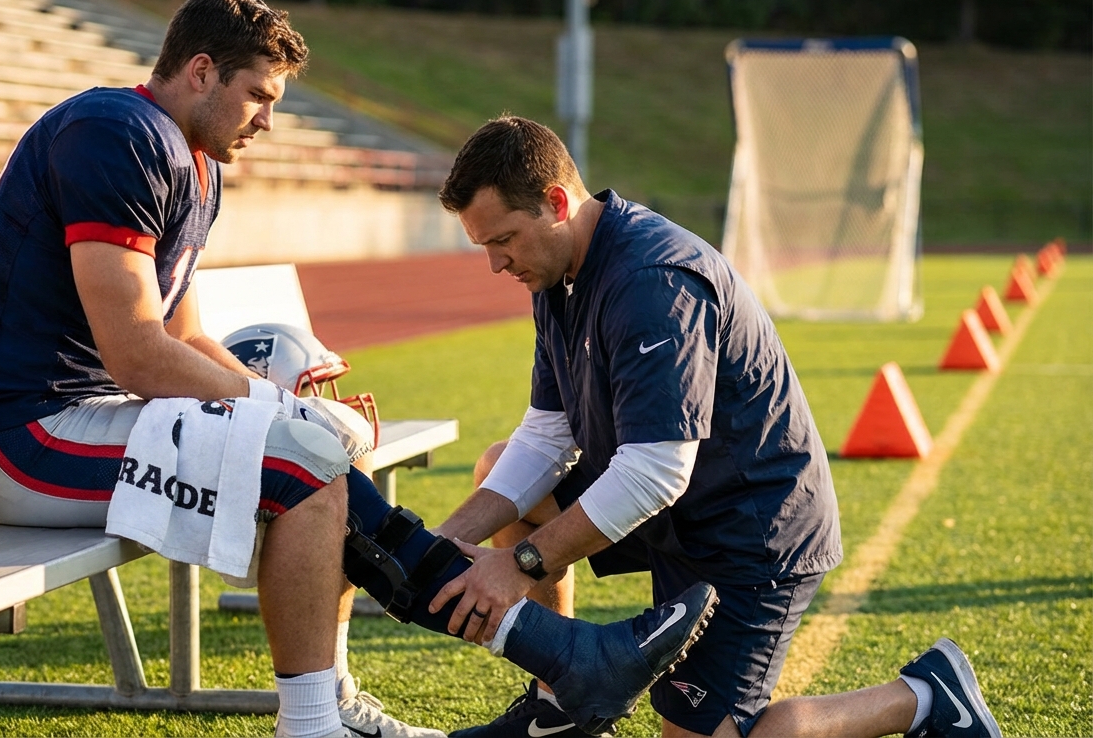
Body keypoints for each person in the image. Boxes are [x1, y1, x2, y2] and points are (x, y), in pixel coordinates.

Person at [0, 0, 717, 738]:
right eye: (259, 95)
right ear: (201, 70)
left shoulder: (195, 161)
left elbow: (184, 338)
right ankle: (322, 721)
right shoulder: (115, 132)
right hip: (27, 436)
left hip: (91, 418)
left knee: (313, 461)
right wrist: (286, 410)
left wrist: (284, 410)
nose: (269, 121)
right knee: (304, 469)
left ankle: (544, 662)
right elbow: (137, 352)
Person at [428, 115, 1002, 738]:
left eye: (502, 239)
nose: (494, 264)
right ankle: (560, 705)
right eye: (484, 245)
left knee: (752, 732)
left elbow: (654, 473)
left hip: (749, 533)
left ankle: (923, 696)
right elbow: (546, 435)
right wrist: (440, 544)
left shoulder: (649, 279)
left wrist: (521, 565)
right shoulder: (556, 272)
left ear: (556, 203)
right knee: (498, 464)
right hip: (675, 511)